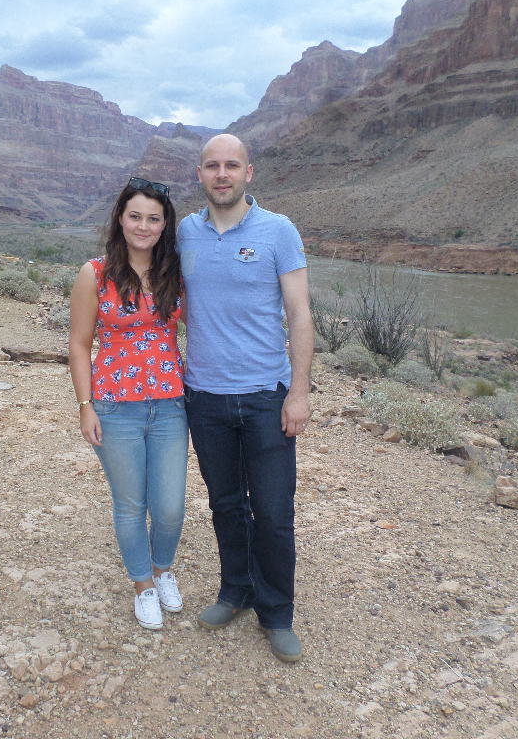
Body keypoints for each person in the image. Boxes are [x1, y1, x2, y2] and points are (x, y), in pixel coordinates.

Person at [179, 134, 313, 662]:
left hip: (265, 397)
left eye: (231, 165)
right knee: (226, 504)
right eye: (212, 166)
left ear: (248, 172)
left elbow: (299, 314)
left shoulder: (278, 231)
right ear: (200, 174)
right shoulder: (185, 232)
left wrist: (299, 392)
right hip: (205, 397)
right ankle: (235, 590)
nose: (222, 174)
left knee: (274, 512)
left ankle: (276, 614)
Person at [68, 177, 188, 631]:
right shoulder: (95, 273)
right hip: (115, 407)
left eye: (153, 219)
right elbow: (79, 344)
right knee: (131, 503)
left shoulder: (174, 273)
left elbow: (202, 325)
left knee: (170, 505)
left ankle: (163, 569)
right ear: (120, 218)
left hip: (170, 404)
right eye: (135, 216)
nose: (143, 226)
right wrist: (85, 405)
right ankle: (143, 585)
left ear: (164, 225)